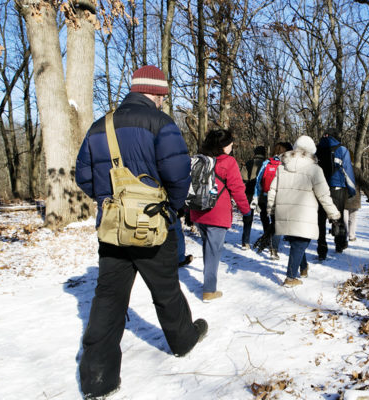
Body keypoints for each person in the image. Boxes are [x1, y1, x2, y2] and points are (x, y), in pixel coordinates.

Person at [74, 65, 207, 399]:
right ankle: (183, 340)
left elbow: (83, 176)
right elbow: (179, 176)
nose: (163, 101)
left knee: (108, 296)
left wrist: (111, 202)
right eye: (163, 95)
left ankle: (98, 378)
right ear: (157, 93)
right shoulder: (161, 124)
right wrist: (171, 208)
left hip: (112, 227)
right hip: (155, 224)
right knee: (165, 289)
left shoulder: (98, 127)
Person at [267, 136, 341, 287]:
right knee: (300, 243)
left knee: (296, 241)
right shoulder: (315, 169)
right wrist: (334, 214)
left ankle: (303, 267)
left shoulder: (281, 168)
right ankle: (290, 278)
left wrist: (272, 210)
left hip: (285, 212)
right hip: (303, 214)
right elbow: (323, 195)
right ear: (311, 151)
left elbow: (272, 191)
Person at [190, 129, 251, 302]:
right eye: (231, 143)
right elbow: (237, 189)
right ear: (224, 146)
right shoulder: (228, 162)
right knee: (213, 251)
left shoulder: (199, 159)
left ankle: (208, 281)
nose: (232, 146)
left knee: (207, 248)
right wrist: (246, 210)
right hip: (217, 212)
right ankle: (209, 289)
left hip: (198, 210)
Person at [315, 128, 356, 260]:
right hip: (337, 187)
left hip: (320, 187)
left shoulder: (316, 150)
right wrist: (351, 190)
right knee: (337, 217)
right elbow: (347, 171)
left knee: (320, 219)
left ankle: (321, 248)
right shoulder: (342, 150)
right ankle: (339, 244)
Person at [252, 141, 293, 259]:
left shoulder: (267, 163)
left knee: (266, 220)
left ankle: (266, 239)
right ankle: (273, 248)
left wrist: (256, 196)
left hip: (265, 196)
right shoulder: (285, 164)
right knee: (277, 224)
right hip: (279, 197)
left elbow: (258, 181)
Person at [240, 146, 266, 250]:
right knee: (264, 217)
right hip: (263, 193)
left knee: (248, 217)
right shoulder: (267, 164)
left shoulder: (249, 163)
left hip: (250, 193)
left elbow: (244, 178)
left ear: (255, 153)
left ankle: (245, 241)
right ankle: (267, 239)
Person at [343, 167, 369, 242]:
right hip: (354, 198)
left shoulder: (340, 168)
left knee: (344, 219)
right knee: (353, 218)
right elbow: (363, 183)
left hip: (342, 198)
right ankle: (352, 236)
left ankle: (344, 236)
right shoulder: (356, 170)